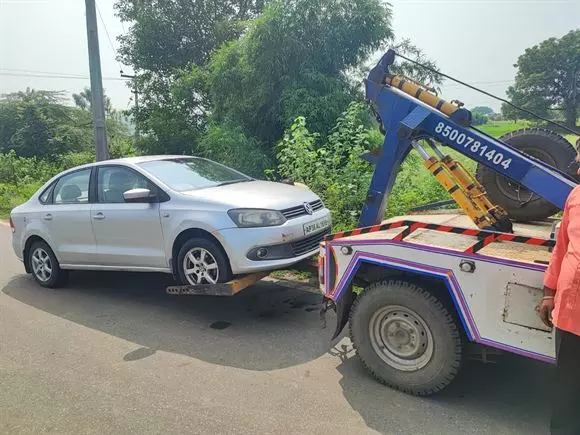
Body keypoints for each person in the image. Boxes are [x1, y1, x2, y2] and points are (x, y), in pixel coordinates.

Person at [540, 139, 580, 435]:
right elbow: (562, 248)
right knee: (568, 390)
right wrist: (549, 292)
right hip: (570, 313)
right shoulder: (576, 197)